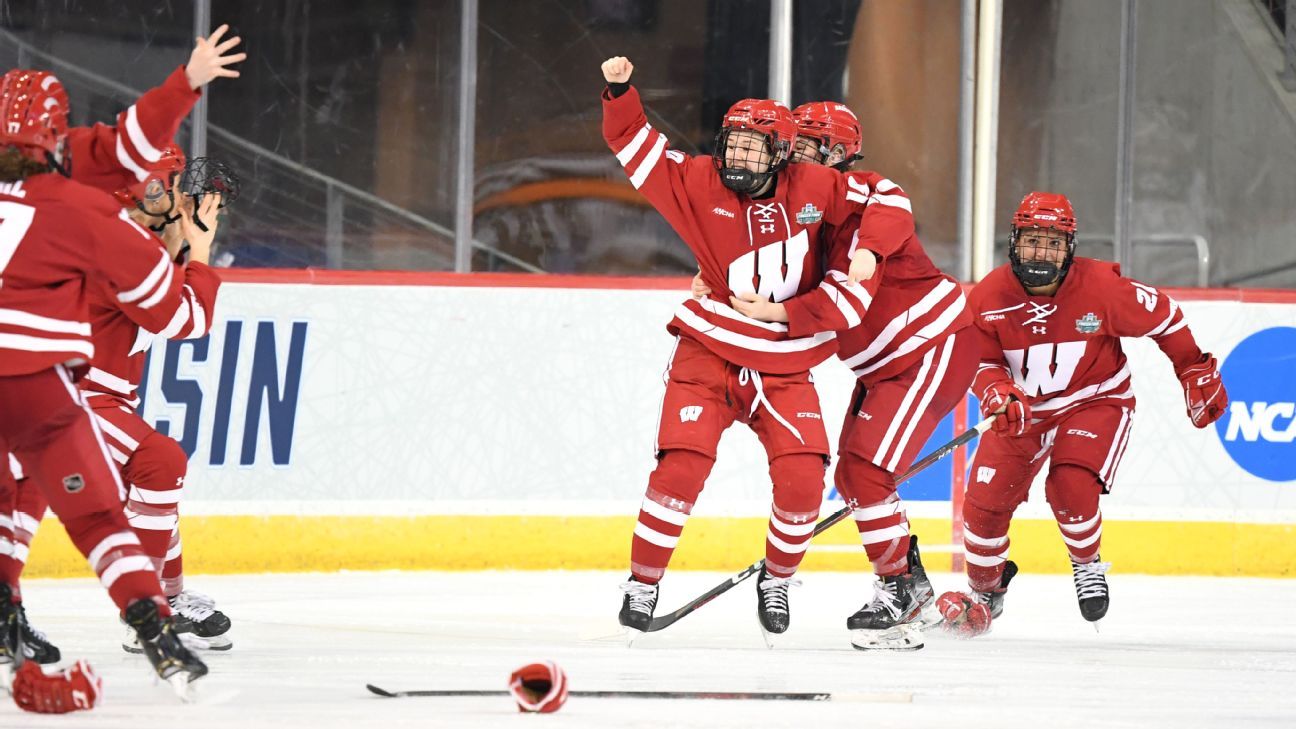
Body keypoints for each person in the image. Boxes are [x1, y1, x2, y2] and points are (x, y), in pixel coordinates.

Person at [601, 56, 885, 640]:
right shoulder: (696, 180)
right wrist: (621, 90)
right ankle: (642, 582)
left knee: (806, 479)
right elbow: (631, 140)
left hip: (784, 359)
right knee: (680, 467)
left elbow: (885, 200)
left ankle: (777, 579)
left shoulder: (813, 185)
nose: (739, 159)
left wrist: (871, 248)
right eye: (733, 145)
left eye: (755, 149)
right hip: (708, 347)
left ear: (782, 154)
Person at [0, 23, 245, 659]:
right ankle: (151, 611)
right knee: (153, 463)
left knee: (41, 490)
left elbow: (124, 147)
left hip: (69, 390)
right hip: (69, 392)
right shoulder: (100, 232)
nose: (171, 200)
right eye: (160, 190)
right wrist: (200, 253)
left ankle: (155, 599)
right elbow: (181, 319)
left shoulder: (77, 204)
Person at [700, 100, 976, 650]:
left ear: (840, 155)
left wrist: (782, 307)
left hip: (929, 346)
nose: (795, 161)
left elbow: (886, 209)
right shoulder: (797, 211)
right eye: (791, 148)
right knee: (853, 476)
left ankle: (902, 587)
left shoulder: (859, 202)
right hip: (886, 364)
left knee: (867, 472)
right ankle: (905, 584)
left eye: (807, 150)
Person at [935, 191, 1227, 636]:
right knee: (983, 507)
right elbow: (980, 359)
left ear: (1069, 248)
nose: (1042, 252)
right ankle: (986, 595)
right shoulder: (988, 298)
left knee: (1070, 487)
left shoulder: (1102, 289)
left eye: (1053, 243)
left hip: (1094, 400)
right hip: (1024, 412)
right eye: (1033, 241)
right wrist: (997, 392)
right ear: (1014, 242)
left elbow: (1165, 317)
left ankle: (1087, 563)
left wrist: (1192, 367)